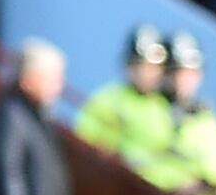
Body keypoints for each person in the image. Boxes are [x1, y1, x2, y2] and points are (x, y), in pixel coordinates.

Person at [0, 40, 72, 195]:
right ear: (27, 80)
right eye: (51, 78)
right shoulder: (11, 116)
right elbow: (9, 175)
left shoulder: (40, 116)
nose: (59, 86)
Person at [75, 24, 176, 179]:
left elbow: (168, 160)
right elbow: (84, 141)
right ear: (131, 66)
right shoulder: (108, 99)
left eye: (156, 67)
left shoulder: (163, 109)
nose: (151, 73)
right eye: (145, 66)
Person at [155, 32, 216, 195]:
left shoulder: (206, 121)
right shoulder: (146, 109)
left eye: (191, 72)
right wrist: (178, 185)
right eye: (176, 71)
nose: (183, 79)